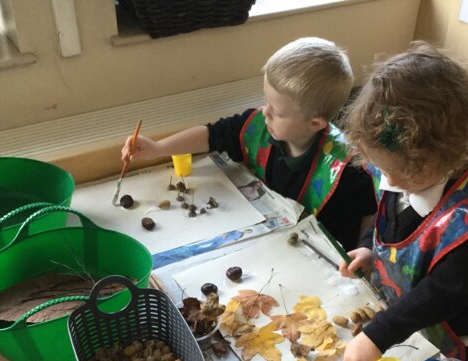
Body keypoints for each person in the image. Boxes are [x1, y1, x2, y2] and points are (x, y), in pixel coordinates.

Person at [338, 42, 468, 361]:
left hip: (452, 328)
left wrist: (380, 333)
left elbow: (447, 290)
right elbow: (387, 215)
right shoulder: (404, 165)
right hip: (404, 312)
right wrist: (369, 247)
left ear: (450, 156)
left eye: (402, 175)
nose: (390, 182)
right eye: (384, 170)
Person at [121, 37, 377, 250]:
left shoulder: (347, 173)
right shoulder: (259, 125)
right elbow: (212, 134)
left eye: (277, 112)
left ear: (315, 123)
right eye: (266, 101)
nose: (265, 112)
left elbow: (364, 224)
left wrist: (364, 252)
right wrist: (158, 148)